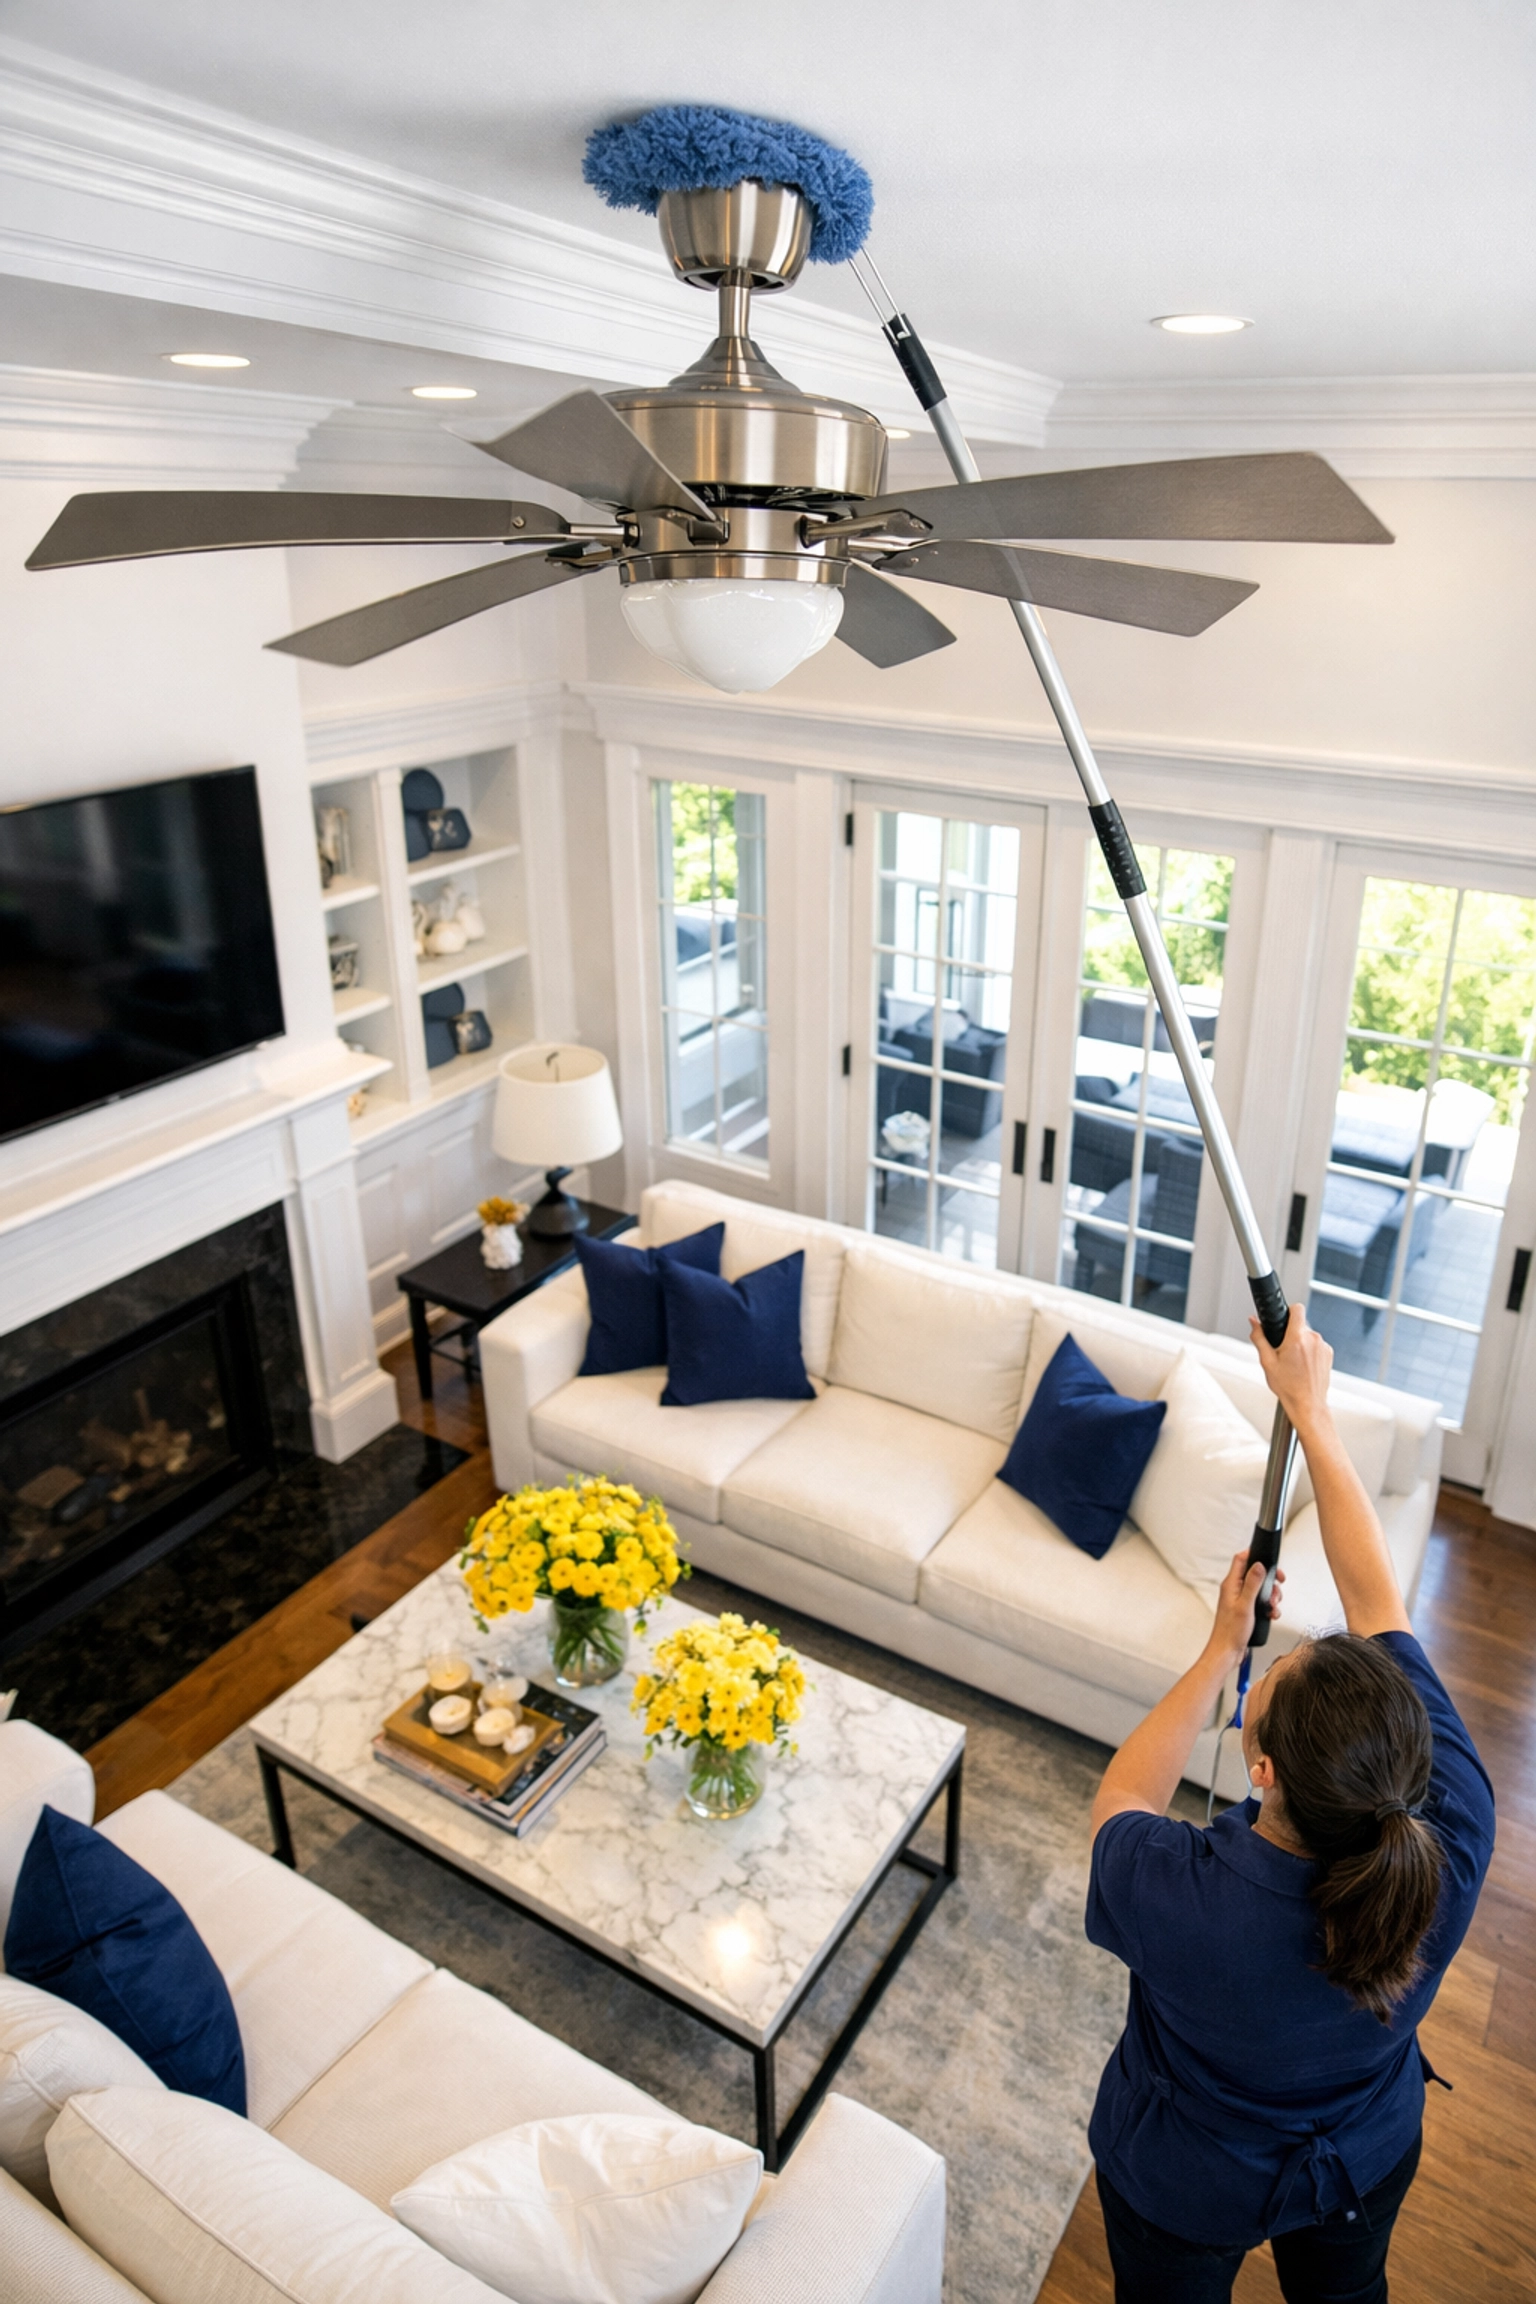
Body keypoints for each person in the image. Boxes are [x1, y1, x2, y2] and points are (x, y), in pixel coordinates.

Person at [1084, 1308, 1495, 2303]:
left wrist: (1223, 1648)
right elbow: (1379, 1601)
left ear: (1259, 1770)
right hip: (1363, 2157)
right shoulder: (1456, 1820)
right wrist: (1309, 1410)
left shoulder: (1184, 1900)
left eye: (1258, 1699)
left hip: (1186, 2184)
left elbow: (1121, 1797)